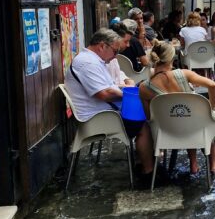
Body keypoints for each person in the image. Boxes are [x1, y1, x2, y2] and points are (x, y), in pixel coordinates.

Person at [64, 28, 155, 181]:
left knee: (146, 114)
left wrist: (128, 90)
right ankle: (149, 172)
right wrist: (131, 93)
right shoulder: (87, 63)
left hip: (105, 112)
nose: (115, 56)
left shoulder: (93, 60)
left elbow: (109, 88)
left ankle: (145, 162)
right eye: (115, 51)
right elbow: (104, 94)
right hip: (100, 118)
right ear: (102, 46)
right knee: (145, 124)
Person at [139, 41, 215, 176]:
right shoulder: (184, 74)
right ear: (171, 59)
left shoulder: (144, 87)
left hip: (167, 132)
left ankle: (193, 164)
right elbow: (212, 85)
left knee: (182, 118)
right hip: (194, 126)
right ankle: (212, 166)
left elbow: (149, 117)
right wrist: (211, 108)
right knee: (200, 119)